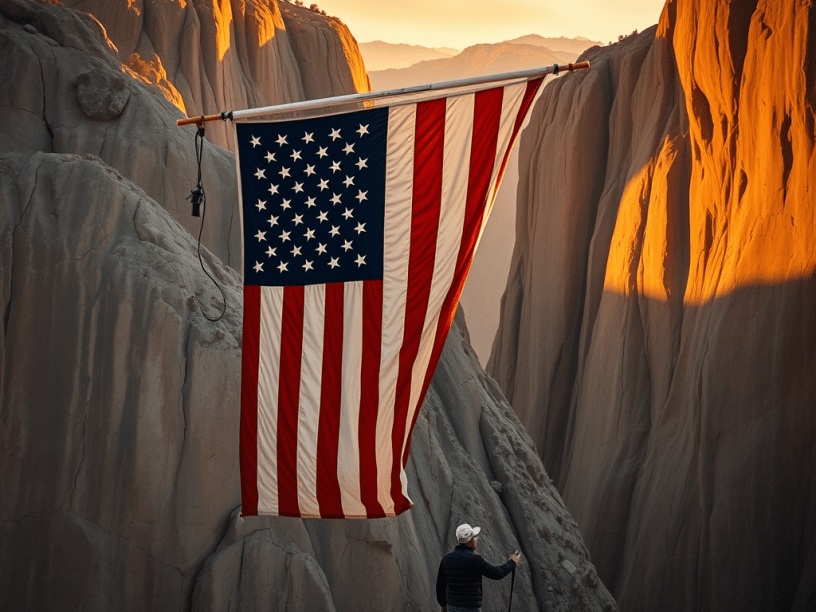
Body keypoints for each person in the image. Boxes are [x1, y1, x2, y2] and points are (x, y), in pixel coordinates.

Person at [436, 523, 521, 612]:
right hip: (471, 609)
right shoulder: (475, 559)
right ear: (471, 540)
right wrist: (512, 562)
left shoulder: (446, 559)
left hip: (452, 607)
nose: (475, 539)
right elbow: (497, 573)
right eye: (474, 537)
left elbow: (440, 586)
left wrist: (443, 606)